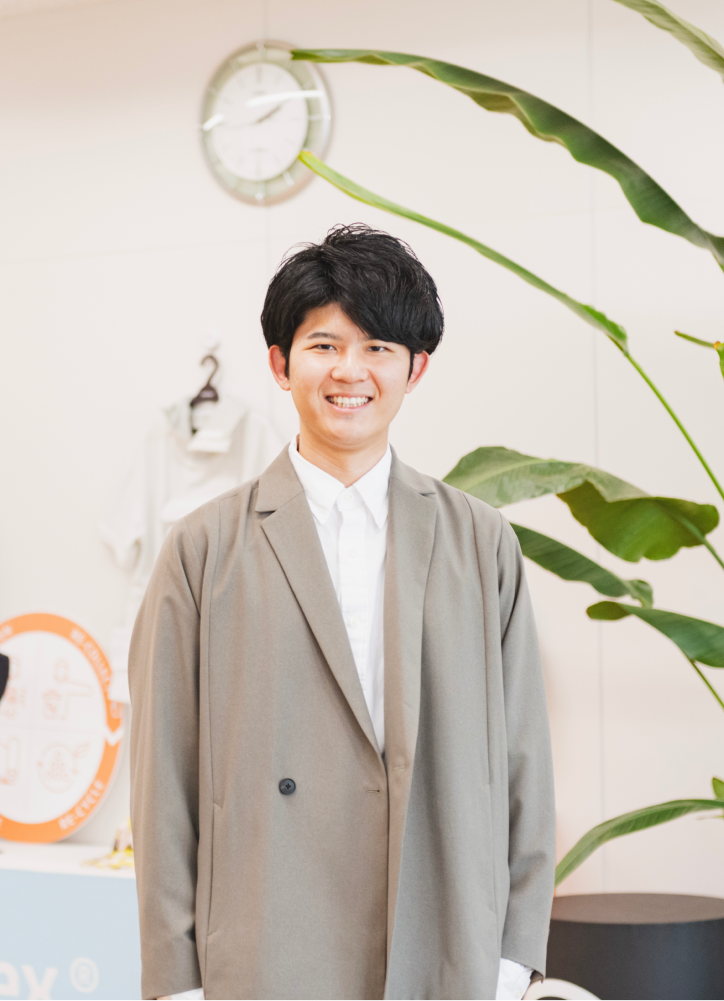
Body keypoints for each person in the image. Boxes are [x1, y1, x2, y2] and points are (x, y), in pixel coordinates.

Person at [129, 224, 555, 1001]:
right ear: (279, 363)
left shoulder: (479, 540)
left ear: (415, 368)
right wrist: (177, 977)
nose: (350, 371)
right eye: (323, 345)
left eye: (378, 347)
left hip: (443, 936)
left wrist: (512, 957)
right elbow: (162, 777)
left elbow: (523, 755)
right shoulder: (202, 549)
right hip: (265, 942)